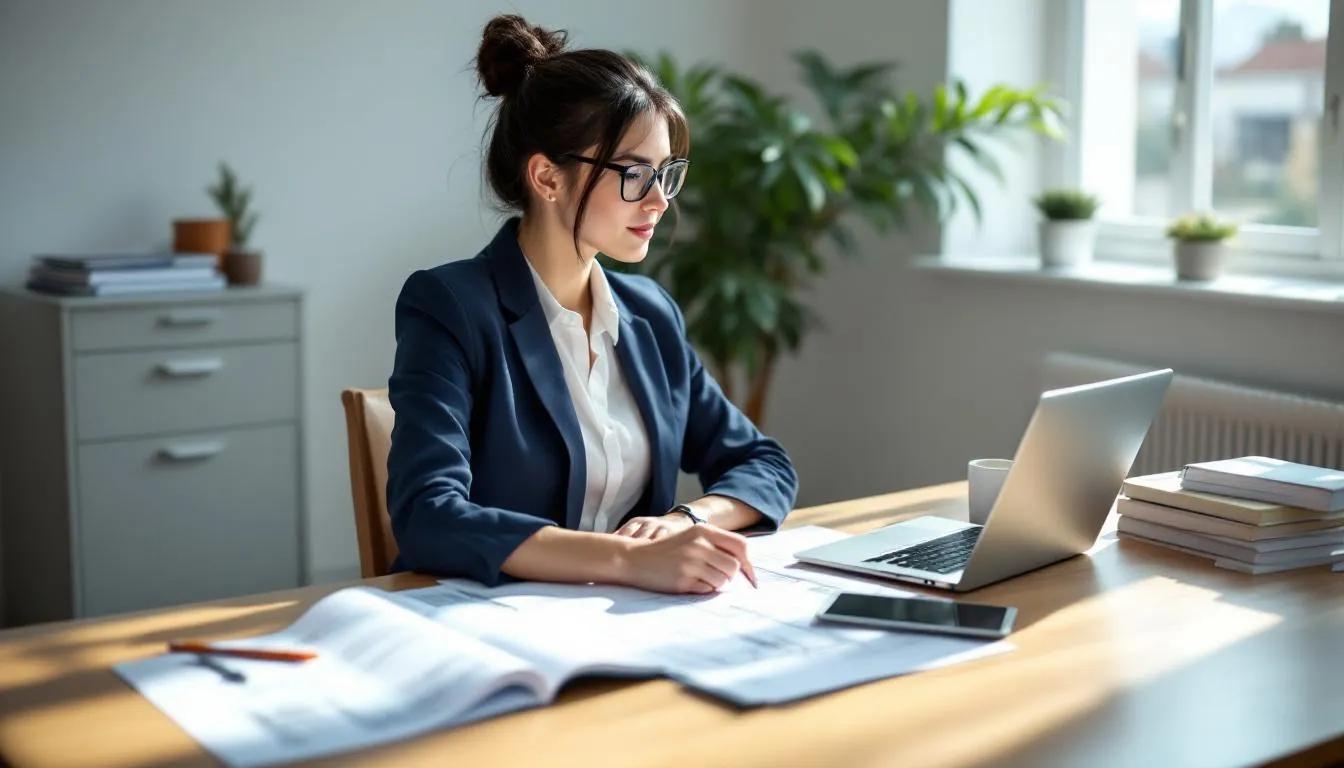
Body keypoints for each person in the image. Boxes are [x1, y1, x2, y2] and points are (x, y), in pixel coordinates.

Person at [384, 13, 799, 595]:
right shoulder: (450, 305)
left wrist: (686, 521)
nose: (658, 200)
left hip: (627, 621)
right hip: (493, 624)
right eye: (634, 174)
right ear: (547, 177)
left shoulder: (649, 314)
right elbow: (429, 514)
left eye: (665, 174)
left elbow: (763, 463)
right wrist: (626, 561)